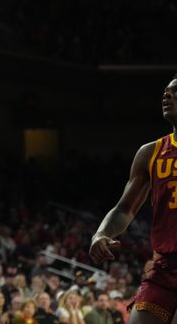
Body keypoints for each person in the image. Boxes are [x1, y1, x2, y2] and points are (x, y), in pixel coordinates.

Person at [89, 75, 177, 324]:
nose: (166, 95)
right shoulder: (150, 152)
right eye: (165, 92)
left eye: (176, 92)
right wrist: (101, 234)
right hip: (164, 267)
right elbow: (124, 209)